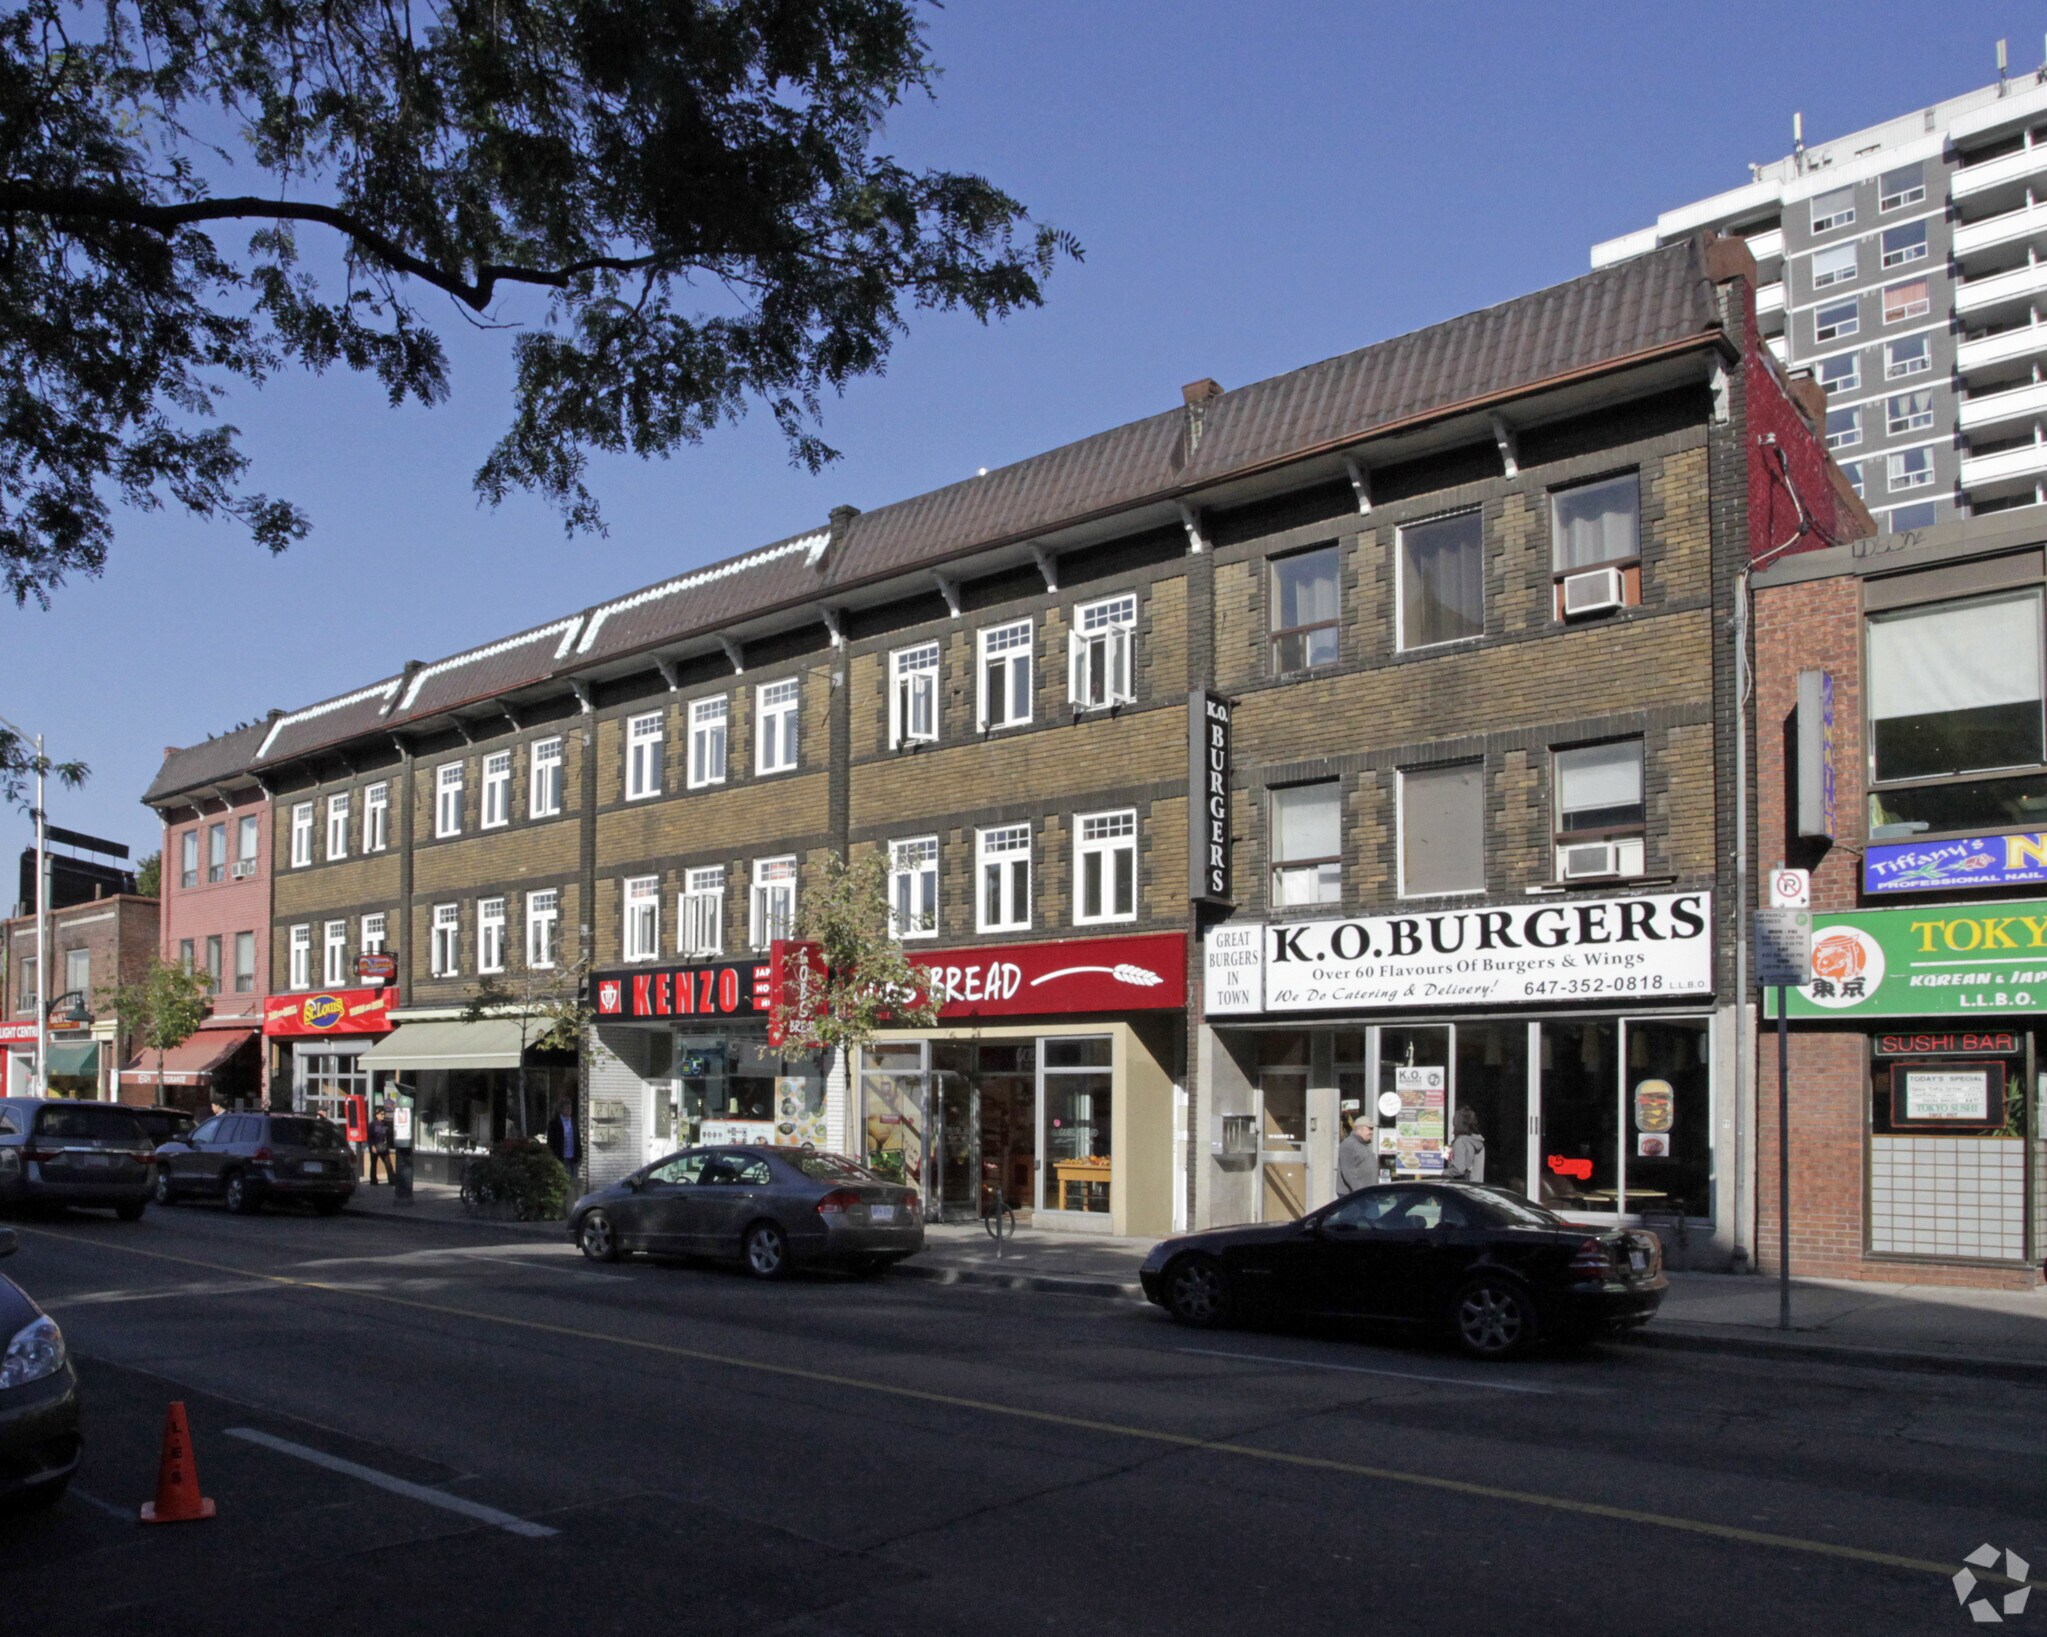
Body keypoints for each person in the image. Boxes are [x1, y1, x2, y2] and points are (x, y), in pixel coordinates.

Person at [1336, 1111, 1378, 1195]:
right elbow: (1349, 1173)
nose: (1372, 1132)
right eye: (1370, 1128)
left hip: (1366, 1194)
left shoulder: (1361, 1144)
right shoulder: (1349, 1145)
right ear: (1359, 1128)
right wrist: (1360, 1193)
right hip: (1353, 1196)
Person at [1444, 1106, 1486, 1183]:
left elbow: (1459, 1169)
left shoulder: (1460, 1142)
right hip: (1476, 1187)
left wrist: (1442, 1172)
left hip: (1463, 1187)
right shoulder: (1477, 1141)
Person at [545, 1095, 579, 1174]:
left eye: (570, 1108)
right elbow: (550, 1141)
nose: (569, 1110)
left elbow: (577, 1140)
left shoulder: (574, 1122)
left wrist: (579, 1155)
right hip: (561, 1157)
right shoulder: (554, 1123)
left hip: (573, 1158)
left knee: (574, 1181)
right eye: (567, 1108)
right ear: (561, 1109)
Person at [365, 1106, 393, 1185]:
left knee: (388, 1163)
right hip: (375, 1145)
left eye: (384, 1114)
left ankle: (392, 1179)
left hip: (383, 1146)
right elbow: (370, 1136)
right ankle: (373, 1180)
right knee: (374, 1164)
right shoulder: (372, 1124)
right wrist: (372, 1146)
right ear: (377, 1115)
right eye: (381, 1114)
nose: (383, 1115)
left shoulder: (385, 1124)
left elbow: (388, 1135)